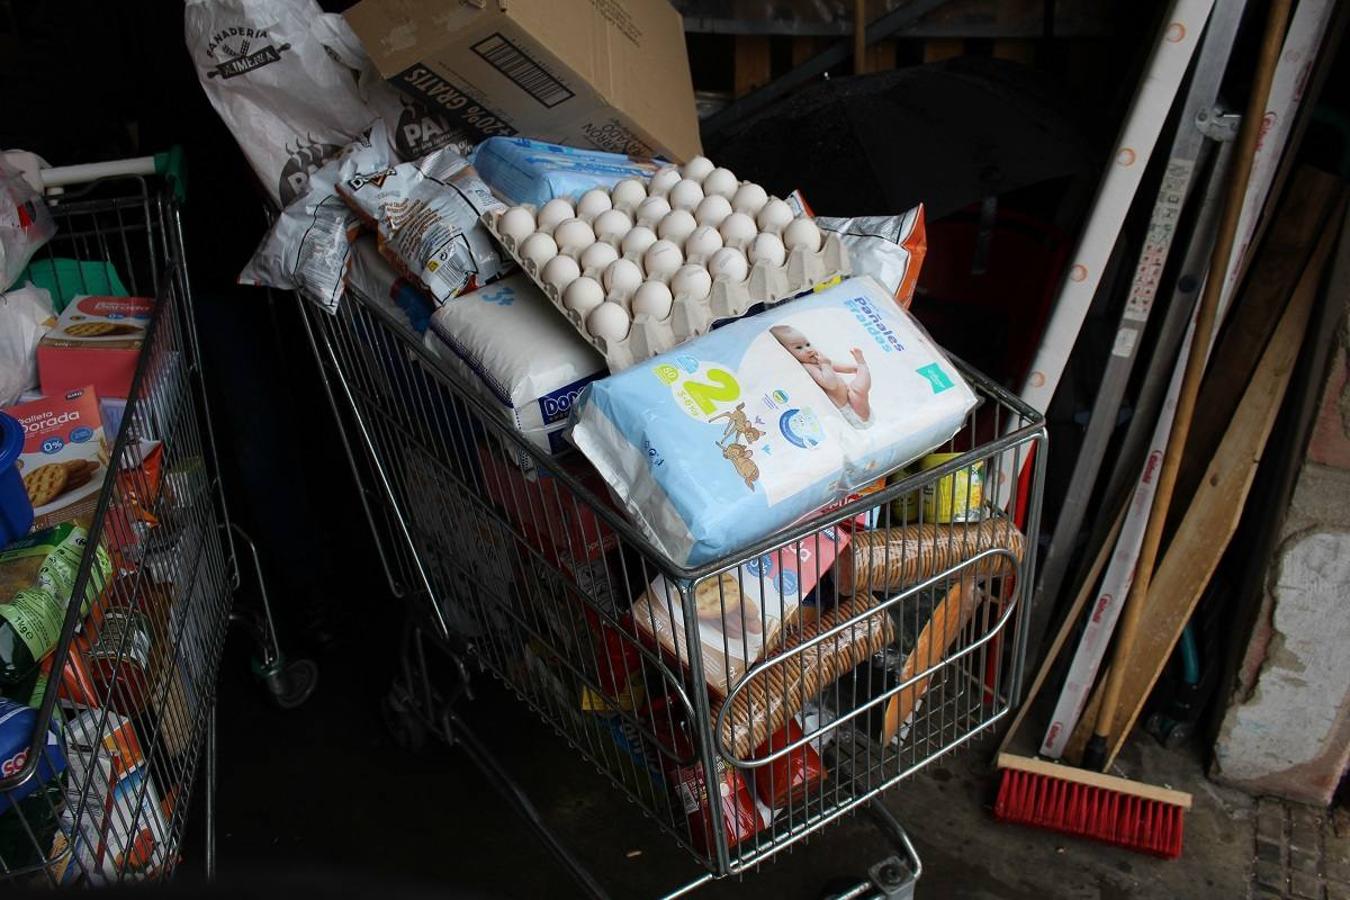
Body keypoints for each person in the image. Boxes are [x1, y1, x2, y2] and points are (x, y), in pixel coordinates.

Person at [770, 325, 873, 428]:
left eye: (807, 344)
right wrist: (825, 365)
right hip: (849, 412)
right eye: (799, 347)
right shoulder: (808, 367)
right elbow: (830, 385)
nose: (808, 349)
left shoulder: (818, 361)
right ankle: (862, 365)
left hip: (853, 402)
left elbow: (845, 368)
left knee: (857, 389)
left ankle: (862, 367)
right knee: (857, 390)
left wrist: (854, 369)